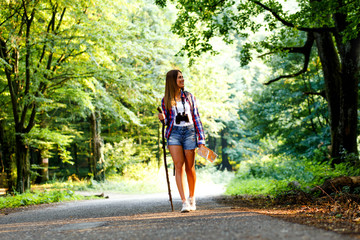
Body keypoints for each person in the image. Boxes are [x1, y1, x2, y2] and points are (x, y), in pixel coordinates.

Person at [158, 69, 205, 213]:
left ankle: (192, 197)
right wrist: (162, 119)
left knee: (190, 168)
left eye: (182, 77)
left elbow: (196, 118)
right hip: (174, 134)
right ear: (172, 80)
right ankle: (184, 202)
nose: (182, 79)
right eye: (179, 77)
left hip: (190, 132)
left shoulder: (189, 97)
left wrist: (201, 139)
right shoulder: (166, 99)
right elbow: (168, 120)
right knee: (178, 166)